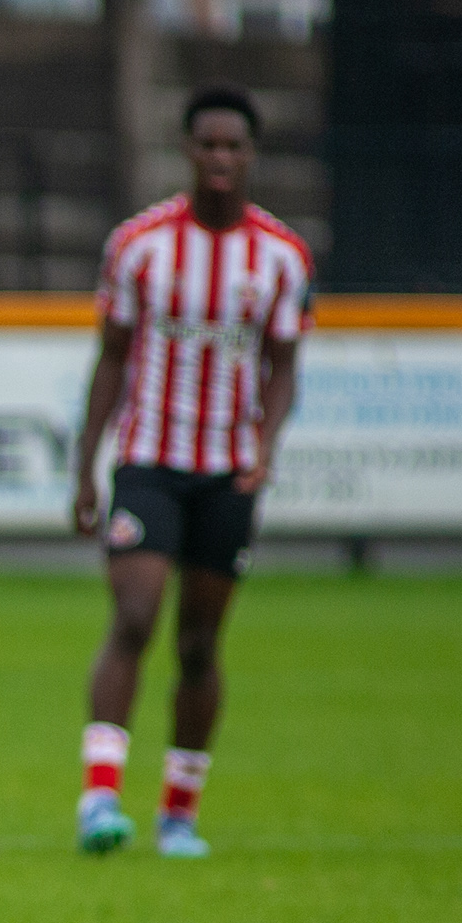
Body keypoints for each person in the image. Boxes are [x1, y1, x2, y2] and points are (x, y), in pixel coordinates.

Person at [70, 84, 311, 858]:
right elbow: (112, 357)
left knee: (200, 644)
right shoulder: (139, 244)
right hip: (148, 459)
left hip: (227, 470)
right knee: (135, 616)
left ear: (251, 154)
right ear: (187, 149)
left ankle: (178, 812)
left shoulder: (281, 255)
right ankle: (100, 798)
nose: (220, 157)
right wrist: (86, 464)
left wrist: (265, 442)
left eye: (233, 145)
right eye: (208, 143)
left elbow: (283, 364)